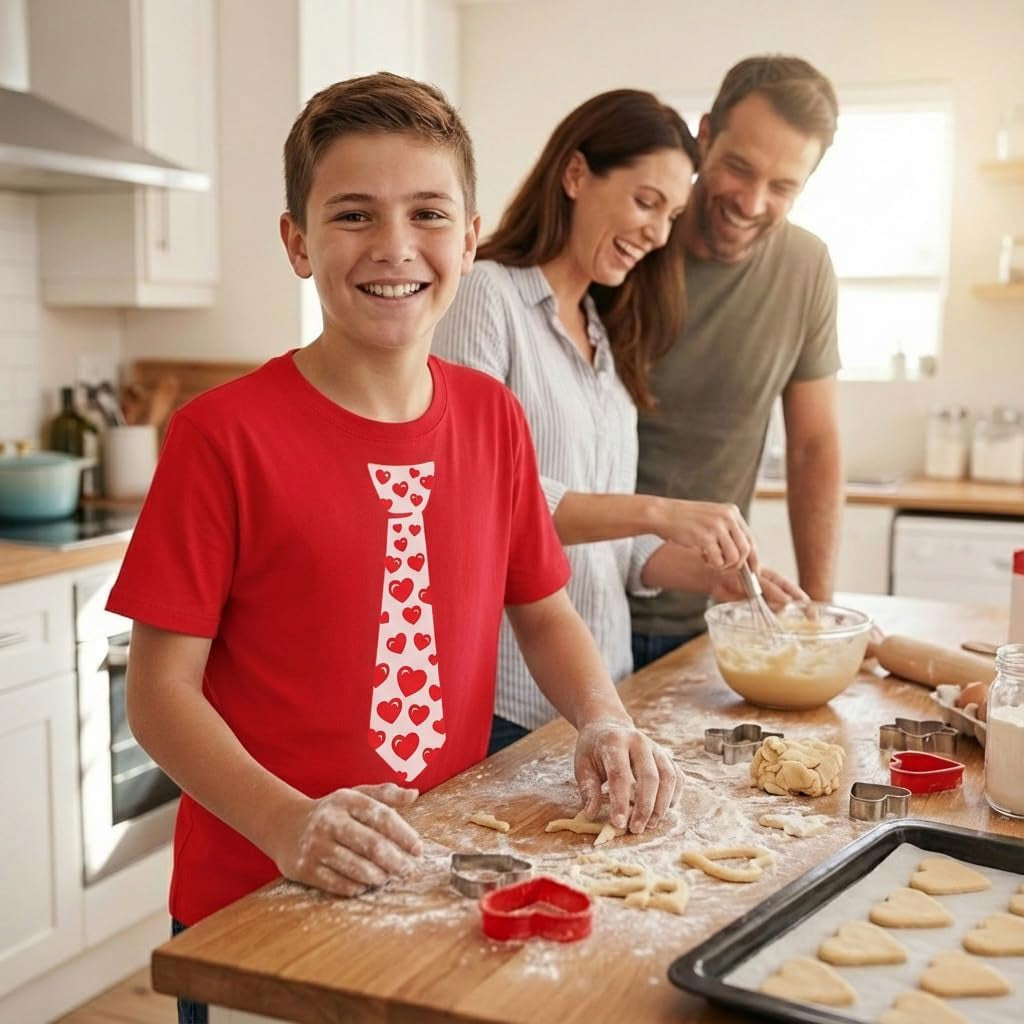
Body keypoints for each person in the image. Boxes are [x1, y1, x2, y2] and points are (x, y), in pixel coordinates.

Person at [106, 73, 677, 1024]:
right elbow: (160, 696)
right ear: (297, 242)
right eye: (354, 215)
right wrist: (289, 822)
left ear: (468, 235)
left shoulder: (492, 417)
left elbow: (540, 608)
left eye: (426, 214)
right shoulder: (221, 436)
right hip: (259, 900)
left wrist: (603, 718)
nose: (395, 248)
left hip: (437, 883)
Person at [433, 89, 804, 752]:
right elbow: (480, 500)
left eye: (672, 213)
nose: (659, 233)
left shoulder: (603, 335)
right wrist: (660, 509)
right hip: (507, 699)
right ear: (575, 175)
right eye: (645, 201)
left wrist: (712, 575)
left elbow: (617, 551)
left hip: (600, 698)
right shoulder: (486, 297)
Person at [630, 55, 843, 670]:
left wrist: (817, 616)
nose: (751, 202)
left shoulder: (806, 268)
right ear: (704, 135)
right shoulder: (633, 243)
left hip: (714, 613)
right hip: (582, 604)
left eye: (782, 187)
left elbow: (814, 447)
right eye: (739, 168)